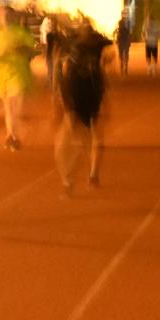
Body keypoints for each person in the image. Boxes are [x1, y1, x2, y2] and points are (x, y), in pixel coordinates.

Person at [55, 15, 110, 193]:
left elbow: (106, 60)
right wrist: (60, 98)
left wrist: (105, 98)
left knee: (92, 139)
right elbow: (59, 68)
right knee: (67, 143)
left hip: (92, 97)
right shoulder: (69, 44)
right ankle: (70, 178)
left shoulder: (97, 43)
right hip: (73, 96)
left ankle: (88, 176)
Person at [0, 4, 37, 151]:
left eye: (9, 15)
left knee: (17, 103)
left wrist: (21, 49)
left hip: (19, 72)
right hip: (2, 73)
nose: (6, 18)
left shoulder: (20, 31)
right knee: (9, 106)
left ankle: (12, 134)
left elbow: (31, 49)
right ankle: (11, 136)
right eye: (3, 15)